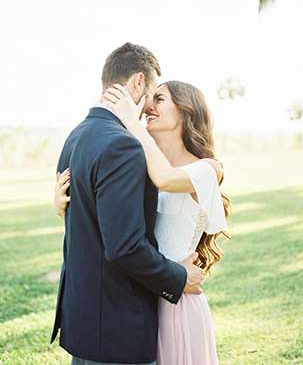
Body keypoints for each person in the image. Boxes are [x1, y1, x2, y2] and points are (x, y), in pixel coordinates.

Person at [55, 67, 231, 364]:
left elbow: (167, 179)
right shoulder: (142, 165)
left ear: (186, 111)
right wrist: (63, 206)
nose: (148, 105)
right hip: (142, 298)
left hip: (178, 297)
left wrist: (129, 120)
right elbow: (115, 222)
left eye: (159, 99)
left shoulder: (208, 168)